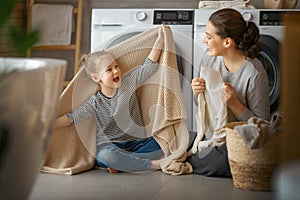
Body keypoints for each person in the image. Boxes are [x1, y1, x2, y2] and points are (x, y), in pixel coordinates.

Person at [55, 27, 164, 173]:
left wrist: (160, 39)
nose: (116, 71)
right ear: (96, 78)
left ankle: (125, 163)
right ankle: (152, 165)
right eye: (109, 69)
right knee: (104, 156)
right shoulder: (95, 103)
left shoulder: (128, 84)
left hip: (137, 143)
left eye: (116, 66)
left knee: (169, 140)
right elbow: (71, 118)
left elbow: (148, 67)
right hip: (110, 146)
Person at [187, 8, 270, 176]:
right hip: (210, 135)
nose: (204, 40)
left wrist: (235, 104)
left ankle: (184, 159)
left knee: (224, 162)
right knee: (172, 137)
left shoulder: (254, 73)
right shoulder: (209, 58)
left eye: (209, 37)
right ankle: (185, 155)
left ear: (227, 42)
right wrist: (197, 93)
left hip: (236, 142)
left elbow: (263, 128)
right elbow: (202, 104)